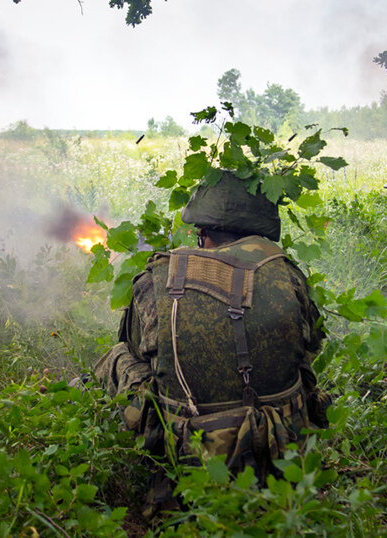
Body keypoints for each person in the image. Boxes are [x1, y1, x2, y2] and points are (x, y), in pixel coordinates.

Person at [94, 171, 330, 509]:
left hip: (190, 457)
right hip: (281, 455)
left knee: (117, 356)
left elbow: (139, 353)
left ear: (203, 233)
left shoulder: (156, 278)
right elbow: (309, 351)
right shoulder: (289, 275)